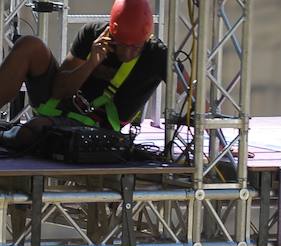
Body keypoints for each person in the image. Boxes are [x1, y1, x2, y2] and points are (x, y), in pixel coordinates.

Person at [0, 0, 166, 149]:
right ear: (112, 32)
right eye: (121, 44)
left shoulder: (156, 53)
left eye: (135, 47)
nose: (128, 53)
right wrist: (91, 63)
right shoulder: (92, 34)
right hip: (60, 101)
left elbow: (188, 92)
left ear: (145, 39)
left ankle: (9, 135)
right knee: (29, 45)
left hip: (96, 126)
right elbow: (59, 91)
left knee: (32, 131)